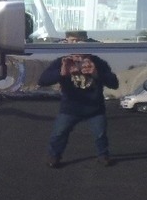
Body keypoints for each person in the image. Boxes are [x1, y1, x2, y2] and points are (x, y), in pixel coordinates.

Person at [39, 31, 119, 167]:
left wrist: (96, 73)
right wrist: (61, 73)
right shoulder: (62, 62)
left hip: (95, 109)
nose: (75, 45)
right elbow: (42, 81)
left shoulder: (97, 62)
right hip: (70, 108)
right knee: (58, 133)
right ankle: (54, 156)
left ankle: (103, 155)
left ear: (86, 42)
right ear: (66, 42)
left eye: (79, 41)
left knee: (100, 134)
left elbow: (114, 84)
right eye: (71, 41)